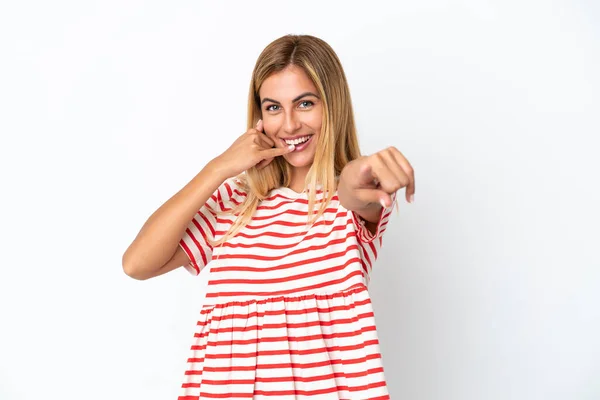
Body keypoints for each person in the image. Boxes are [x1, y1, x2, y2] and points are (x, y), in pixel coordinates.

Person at [123, 34, 415, 400]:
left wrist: (362, 170)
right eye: (273, 108)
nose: (290, 125)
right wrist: (218, 168)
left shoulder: (345, 205)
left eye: (305, 103)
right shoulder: (235, 203)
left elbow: (355, 189)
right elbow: (137, 264)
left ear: (333, 105)